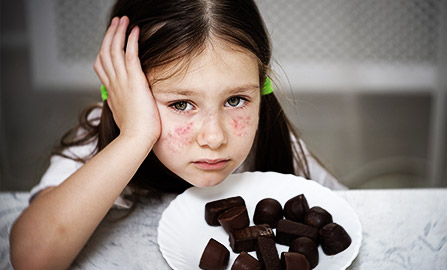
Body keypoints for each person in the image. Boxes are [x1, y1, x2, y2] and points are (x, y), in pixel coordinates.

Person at [10, 0, 345, 268]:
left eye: (235, 100)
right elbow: (32, 258)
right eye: (182, 104)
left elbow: (349, 214)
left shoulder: (275, 147)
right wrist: (135, 136)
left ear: (261, 88)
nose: (214, 138)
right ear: (128, 94)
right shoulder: (99, 144)